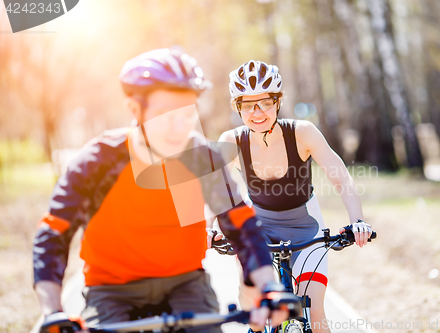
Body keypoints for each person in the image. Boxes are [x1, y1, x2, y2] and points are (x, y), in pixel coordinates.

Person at [33, 50, 287, 333]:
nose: (179, 127)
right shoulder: (96, 162)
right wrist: (52, 311)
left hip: (185, 284)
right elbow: (53, 233)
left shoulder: (203, 158)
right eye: (166, 114)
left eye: (187, 113)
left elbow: (242, 225)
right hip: (111, 291)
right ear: (134, 109)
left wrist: (269, 287)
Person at [216, 60, 372, 333]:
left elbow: (341, 178)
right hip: (258, 227)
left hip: (305, 226)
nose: (257, 112)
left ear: (277, 102)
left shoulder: (302, 133)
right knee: (249, 294)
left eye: (264, 102)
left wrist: (357, 220)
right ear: (237, 107)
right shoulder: (231, 141)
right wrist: (208, 229)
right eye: (248, 104)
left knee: (313, 306)